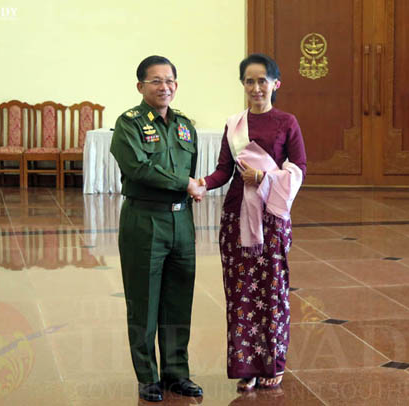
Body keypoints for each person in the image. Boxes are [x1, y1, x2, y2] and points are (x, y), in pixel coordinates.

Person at [200, 54, 307, 391]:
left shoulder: (286, 122)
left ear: (276, 84)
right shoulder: (234, 124)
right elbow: (223, 170)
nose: (256, 87)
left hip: (271, 218)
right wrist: (202, 184)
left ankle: (272, 361)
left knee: (271, 290)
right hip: (236, 217)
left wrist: (265, 176)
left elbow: (300, 167)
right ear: (243, 85)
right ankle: (245, 364)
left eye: (263, 81)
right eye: (250, 81)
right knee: (240, 291)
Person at [110, 55, 205, 403]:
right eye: (156, 81)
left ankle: (177, 372)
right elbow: (139, 168)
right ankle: (148, 376)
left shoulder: (185, 125)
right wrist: (185, 182)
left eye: (170, 81)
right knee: (144, 301)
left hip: (181, 221)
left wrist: (188, 187)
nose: (165, 87)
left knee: (179, 301)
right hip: (144, 221)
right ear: (141, 86)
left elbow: (191, 167)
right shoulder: (129, 124)